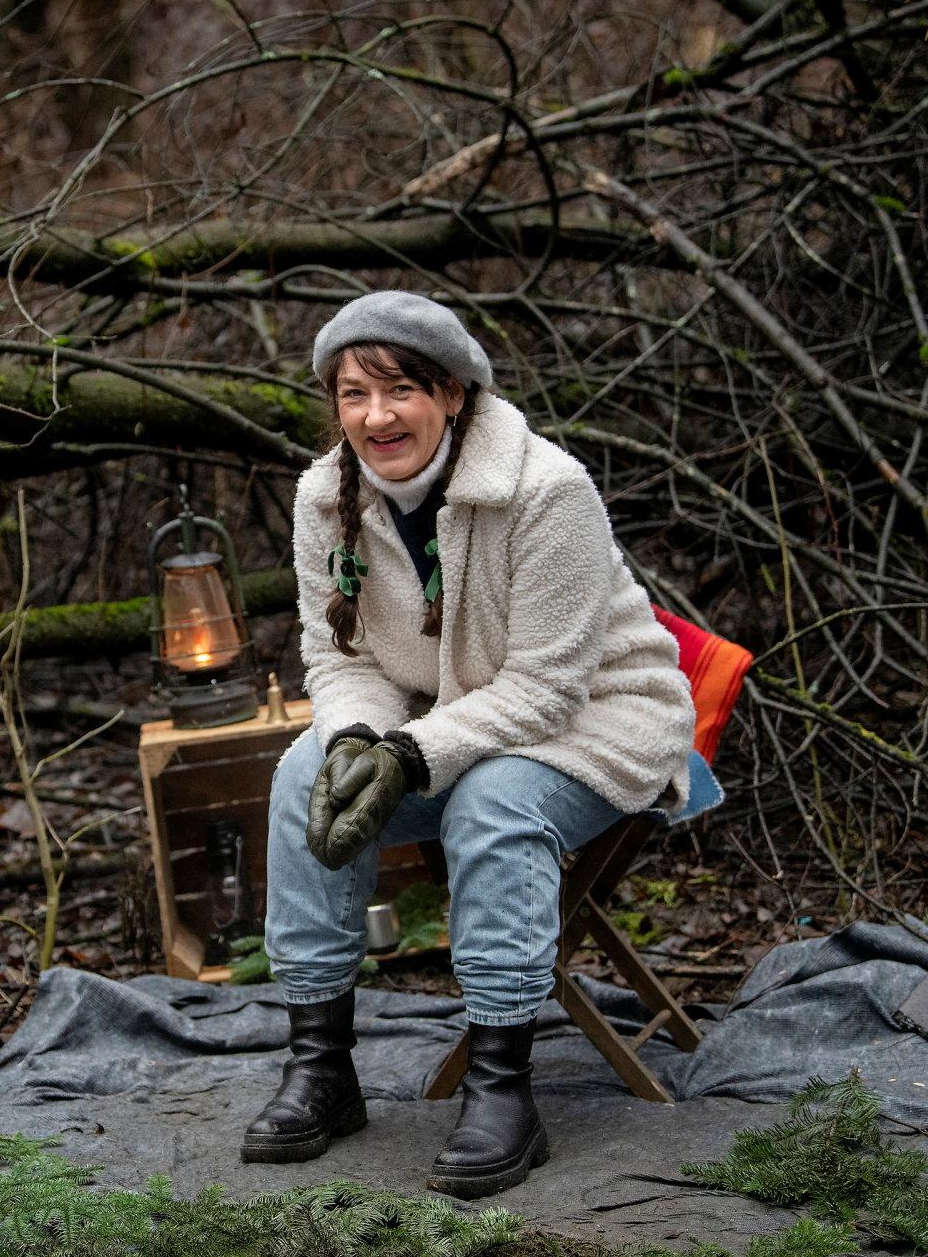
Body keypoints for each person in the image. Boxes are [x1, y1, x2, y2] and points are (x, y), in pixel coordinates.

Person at [239, 291, 695, 1199]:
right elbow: (339, 656)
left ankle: (502, 1090)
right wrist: (360, 741)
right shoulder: (323, 499)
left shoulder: (545, 491)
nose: (375, 417)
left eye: (399, 390)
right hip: (453, 717)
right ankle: (322, 1070)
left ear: (451, 393)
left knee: (494, 803)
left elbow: (546, 687)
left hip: (599, 719)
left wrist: (408, 757)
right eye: (352, 395)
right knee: (304, 772)